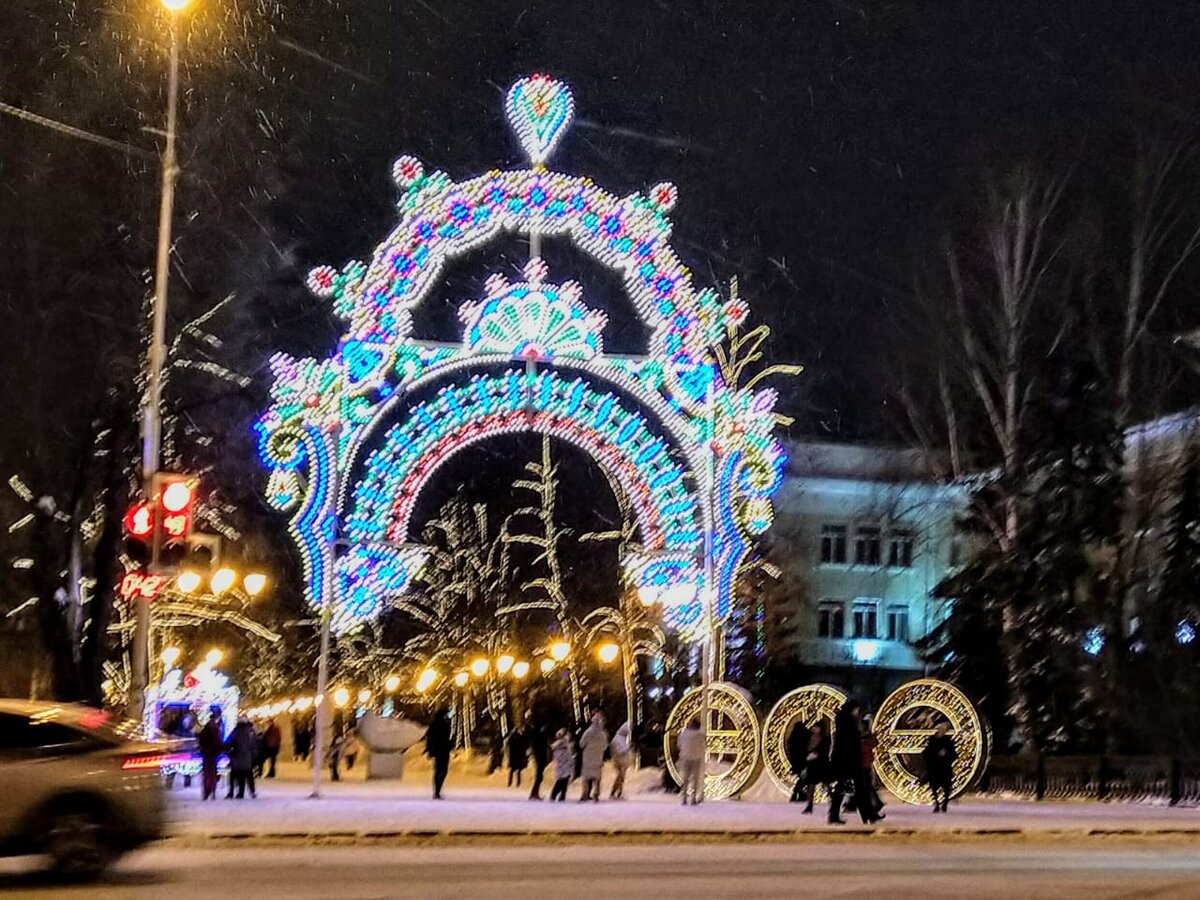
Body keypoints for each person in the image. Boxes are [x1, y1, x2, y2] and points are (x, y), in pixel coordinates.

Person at [830, 699, 882, 824]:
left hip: (848, 763)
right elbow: (850, 745)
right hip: (849, 763)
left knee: (856, 789)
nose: (857, 712)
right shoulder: (847, 723)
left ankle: (867, 815)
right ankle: (867, 815)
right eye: (856, 710)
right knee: (854, 789)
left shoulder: (844, 722)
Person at [922, 722, 958, 813]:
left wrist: (946, 755)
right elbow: (926, 753)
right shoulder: (932, 740)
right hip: (934, 767)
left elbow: (954, 754)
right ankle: (937, 803)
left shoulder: (948, 741)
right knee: (934, 787)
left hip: (944, 767)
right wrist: (934, 756)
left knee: (946, 788)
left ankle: (944, 803)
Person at [577, 711, 609, 801]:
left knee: (586, 777)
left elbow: (581, 743)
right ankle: (596, 794)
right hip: (598, 757)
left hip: (587, 757)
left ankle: (585, 794)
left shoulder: (588, 732)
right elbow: (605, 745)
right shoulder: (603, 734)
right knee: (597, 778)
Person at [225, 714, 258, 799]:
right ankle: (252, 791)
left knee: (235, 776)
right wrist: (254, 756)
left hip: (237, 757)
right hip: (247, 758)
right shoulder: (251, 732)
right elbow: (254, 744)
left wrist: (228, 752)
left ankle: (235, 792)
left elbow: (229, 742)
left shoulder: (236, 731)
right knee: (248, 775)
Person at [676, 717, 706, 805]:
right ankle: (693, 798)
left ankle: (684, 797)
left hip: (685, 757)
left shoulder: (683, 734)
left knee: (685, 778)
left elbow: (679, 744)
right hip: (696, 758)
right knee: (695, 779)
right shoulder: (700, 735)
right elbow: (704, 746)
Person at [425, 706, 453, 799]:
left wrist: (429, 749)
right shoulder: (443, 724)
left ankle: (437, 791)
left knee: (438, 771)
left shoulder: (435, 724)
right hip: (442, 750)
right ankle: (437, 791)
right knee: (442, 770)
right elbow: (433, 738)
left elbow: (429, 738)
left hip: (438, 750)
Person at [197, 707, 225, 801]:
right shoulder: (214, 728)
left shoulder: (208, 727)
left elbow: (201, 739)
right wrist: (222, 748)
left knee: (207, 774)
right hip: (212, 753)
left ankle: (208, 791)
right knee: (211, 773)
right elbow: (217, 741)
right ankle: (210, 791)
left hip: (207, 753)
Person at [785, 720, 810, 803]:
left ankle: (800, 794)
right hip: (803, 760)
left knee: (802, 777)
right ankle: (798, 793)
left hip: (796, 761)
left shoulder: (792, 738)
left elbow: (790, 749)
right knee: (803, 778)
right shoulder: (804, 736)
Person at [527, 717, 551, 800]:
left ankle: (534, 792)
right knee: (539, 776)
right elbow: (542, 747)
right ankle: (534, 793)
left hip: (539, 756)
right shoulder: (539, 736)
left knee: (539, 776)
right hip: (540, 757)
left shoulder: (536, 735)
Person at [609, 722, 634, 799]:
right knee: (620, 777)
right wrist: (628, 748)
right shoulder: (617, 739)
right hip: (619, 761)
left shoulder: (622, 739)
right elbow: (619, 751)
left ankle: (619, 792)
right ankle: (614, 792)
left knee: (621, 778)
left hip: (623, 761)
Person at [549, 728, 576, 801]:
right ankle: (556, 795)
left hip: (562, 766)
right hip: (564, 765)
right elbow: (568, 756)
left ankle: (559, 795)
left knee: (562, 781)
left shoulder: (558, 746)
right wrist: (571, 762)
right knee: (562, 781)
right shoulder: (564, 745)